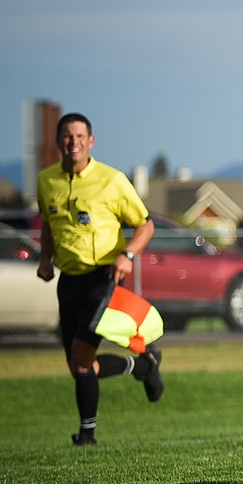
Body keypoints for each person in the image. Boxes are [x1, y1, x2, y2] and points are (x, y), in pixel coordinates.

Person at [37, 113, 162, 446]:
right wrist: (44, 259)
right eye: (67, 136)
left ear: (91, 141)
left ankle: (87, 436)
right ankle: (141, 366)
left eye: (80, 136)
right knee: (79, 365)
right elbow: (48, 225)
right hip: (69, 280)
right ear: (58, 141)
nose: (73, 142)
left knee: (81, 355)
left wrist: (129, 255)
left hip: (103, 277)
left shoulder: (112, 180)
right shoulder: (47, 180)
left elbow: (146, 224)